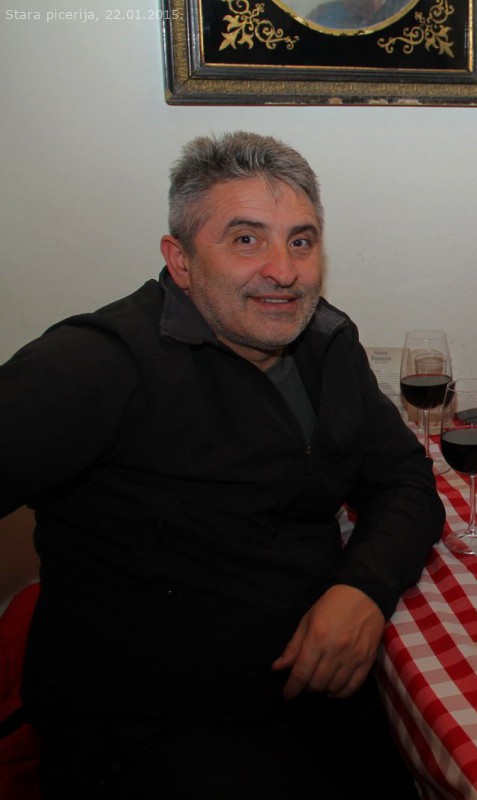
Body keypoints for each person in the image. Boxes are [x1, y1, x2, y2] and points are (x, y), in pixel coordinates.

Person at [0, 131, 445, 797]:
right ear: (179, 260)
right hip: (150, 730)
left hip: (313, 695)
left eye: (301, 241)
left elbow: (404, 480)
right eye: (246, 239)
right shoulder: (101, 362)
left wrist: (362, 589)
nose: (283, 271)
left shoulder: (325, 341)